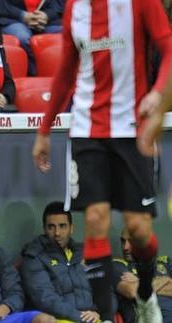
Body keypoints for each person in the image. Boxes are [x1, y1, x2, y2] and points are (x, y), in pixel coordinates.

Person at [31, 0, 172, 320]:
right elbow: (66, 68)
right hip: (86, 129)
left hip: (133, 128)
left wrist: (158, 92)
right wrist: (44, 130)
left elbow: (169, 50)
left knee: (138, 229)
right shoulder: (74, 8)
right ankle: (106, 317)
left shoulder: (141, 3)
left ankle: (146, 291)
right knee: (95, 220)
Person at [20, 201, 99, 323]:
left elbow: (102, 286)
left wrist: (97, 312)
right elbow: (45, 299)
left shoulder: (83, 252)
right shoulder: (33, 256)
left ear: (71, 228)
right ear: (44, 229)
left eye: (62, 226)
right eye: (51, 227)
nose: (57, 233)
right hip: (58, 318)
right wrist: (81, 317)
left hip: (91, 317)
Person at [112, 228, 172, 323]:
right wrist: (165, 280)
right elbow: (132, 291)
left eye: (131, 241)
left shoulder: (164, 262)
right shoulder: (117, 265)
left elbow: (140, 290)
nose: (125, 247)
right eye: (123, 241)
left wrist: (139, 282)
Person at [0, 0, 64, 75]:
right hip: (12, 18)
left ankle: (59, 75)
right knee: (22, 38)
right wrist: (23, 15)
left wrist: (46, 15)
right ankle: (33, 74)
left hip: (47, 20)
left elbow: (59, 4)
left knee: (61, 35)